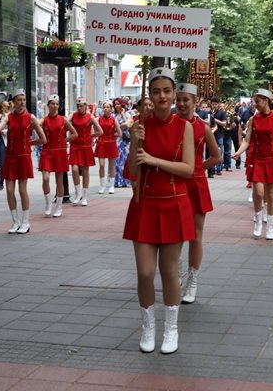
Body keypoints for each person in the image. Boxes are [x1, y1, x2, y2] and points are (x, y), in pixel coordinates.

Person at [124, 67, 195, 354]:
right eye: (156, 91)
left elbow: (188, 169)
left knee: (168, 272)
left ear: (174, 92)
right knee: (144, 273)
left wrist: (154, 159)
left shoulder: (185, 127)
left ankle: (171, 329)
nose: (162, 96)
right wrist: (134, 142)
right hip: (145, 203)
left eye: (167, 91)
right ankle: (148, 326)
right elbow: (132, 170)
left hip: (174, 203)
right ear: (149, 95)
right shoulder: (140, 124)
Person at [175, 83, 221, 304]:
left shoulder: (202, 127)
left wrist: (197, 166)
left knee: (195, 235)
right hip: (174, 184)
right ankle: (175, 277)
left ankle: (192, 280)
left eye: (186, 100)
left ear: (195, 102)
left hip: (196, 184)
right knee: (174, 235)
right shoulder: (169, 124)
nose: (182, 104)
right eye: (179, 100)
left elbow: (216, 156)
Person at [233, 89, 273, 239]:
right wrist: (238, 152)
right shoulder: (253, 119)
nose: (255, 105)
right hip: (257, 160)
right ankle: (258, 222)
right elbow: (247, 140)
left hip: (272, 159)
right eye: (255, 102)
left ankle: (270, 228)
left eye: (258, 102)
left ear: (266, 101)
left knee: (271, 196)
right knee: (259, 193)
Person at [0, 89, 47, 234]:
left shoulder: (31, 117)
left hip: (23, 156)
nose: (22, 103)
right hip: (10, 156)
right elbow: (1, 126)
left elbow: (43, 139)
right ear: (13, 102)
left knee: (22, 190)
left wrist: (29, 144)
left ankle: (26, 222)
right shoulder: (8, 117)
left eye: (24, 100)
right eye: (19, 100)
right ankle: (15, 221)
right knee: (9, 190)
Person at [39, 95, 78, 218]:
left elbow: (74, 134)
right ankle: (48, 204)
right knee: (45, 178)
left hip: (59, 152)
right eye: (52, 104)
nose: (55, 106)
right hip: (47, 151)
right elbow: (34, 125)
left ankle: (59, 206)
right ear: (48, 105)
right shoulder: (43, 120)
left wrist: (64, 140)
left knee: (59, 180)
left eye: (57, 104)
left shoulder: (63, 120)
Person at [69, 97, 103, 206]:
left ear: (85, 106)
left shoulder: (90, 117)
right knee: (74, 169)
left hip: (85, 146)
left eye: (81, 106)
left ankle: (85, 195)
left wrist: (90, 136)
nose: (79, 108)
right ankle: (77, 192)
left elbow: (100, 131)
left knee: (85, 170)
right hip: (75, 145)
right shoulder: (73, 115)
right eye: (78, 106)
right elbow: (65, 122)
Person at [96, 101, 122, 194]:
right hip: (101, 143)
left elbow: (120, 133)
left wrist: (112, 134)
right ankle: (102, 186)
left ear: (111, 109)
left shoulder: (113, 120)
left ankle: (111, 186)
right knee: (101, 165)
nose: (106, 109)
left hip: (111, 143)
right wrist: (95, 136)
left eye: (107, 107)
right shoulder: (98, 119)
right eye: (104, 107)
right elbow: (93, 128)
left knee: (111, 166)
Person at [113, 98, 133, 190]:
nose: (117, 105)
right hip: (116, 140)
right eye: (115, 104)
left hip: (125, 141)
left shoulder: (127, 114)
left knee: (125, 161)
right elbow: (112, 128)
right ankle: (118, 181)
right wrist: (122, 126)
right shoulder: (113, 116)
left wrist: (119, 126)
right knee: (117, 161)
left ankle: (126, 180)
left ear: (122, 104)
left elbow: (129, 124)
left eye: (118, 104)